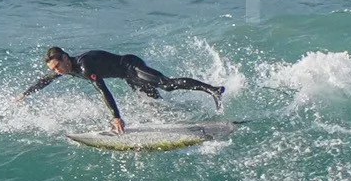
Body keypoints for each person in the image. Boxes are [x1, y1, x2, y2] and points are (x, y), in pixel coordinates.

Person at [22, 46, 224, 132]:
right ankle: (188, 118)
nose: (57, 71)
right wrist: (24, 95)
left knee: (166, 84)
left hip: (131, 66)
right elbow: (45, 80)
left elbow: (103, 89)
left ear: (65, 57)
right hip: (128, 77)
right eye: (54, 69)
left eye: (58, 66)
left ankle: (213, 89)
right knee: (154, 104)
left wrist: (116, 117)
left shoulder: (84, 66)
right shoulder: (66, 69)